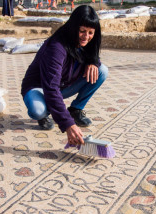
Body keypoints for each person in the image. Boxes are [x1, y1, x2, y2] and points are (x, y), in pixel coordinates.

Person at [21, 5, 108, 146]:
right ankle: (47, 113)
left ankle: (75, 109)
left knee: (102, 71)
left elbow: (93, 57)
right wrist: (68, 124)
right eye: (82, 31)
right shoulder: (56, 47)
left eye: (91, 33)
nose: (86, 37)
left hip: (62, 86)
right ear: (74, 27)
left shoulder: (86, 43)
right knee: (38, 111)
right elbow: (50, 88)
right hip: (38, 87)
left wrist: (93, 62)